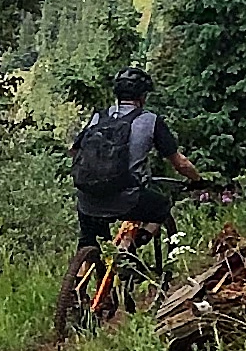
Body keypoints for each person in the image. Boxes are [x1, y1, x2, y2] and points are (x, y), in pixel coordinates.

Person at [68, 67, 209, 250]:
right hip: (127, 199)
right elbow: (180, 163)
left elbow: (74, 150)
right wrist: (198, 180)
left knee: (89, 241)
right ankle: (129, 249)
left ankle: (78, 277)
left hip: (88, 199)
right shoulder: (150, 121)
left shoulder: (98, 117)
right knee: (162, 206)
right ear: (143, 96)